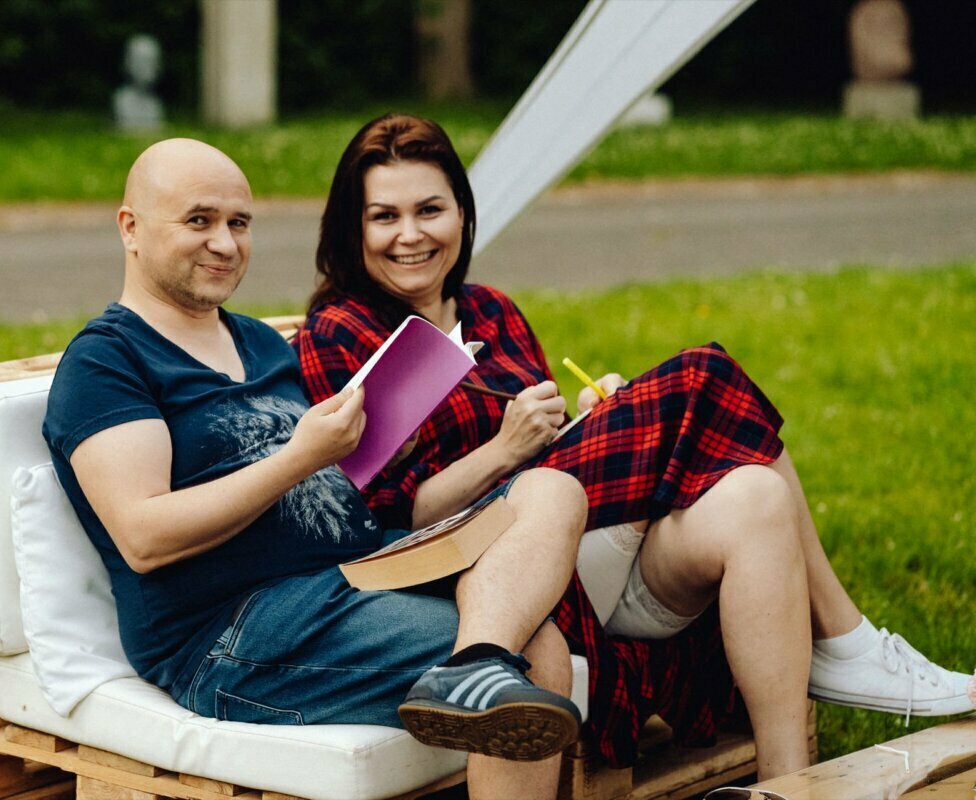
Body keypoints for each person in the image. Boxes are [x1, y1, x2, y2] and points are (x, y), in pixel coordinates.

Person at [294, 113, 976, 779]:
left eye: (429, 210)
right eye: (384, 216)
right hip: (485, 568)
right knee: (704, 380)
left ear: (463, 216)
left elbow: (546, 453)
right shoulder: (342, 334)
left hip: (572, 534)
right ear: (352, 229)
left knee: (756, 495)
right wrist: (504, 451)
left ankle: (786, 777)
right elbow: (383, 526)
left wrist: (590, 421)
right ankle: (847, 640)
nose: (409, 235)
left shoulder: (492, 311)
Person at [42, 137, 604, 798]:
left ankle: (472, 665)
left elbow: (307, 481)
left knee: (550, 491)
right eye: (199, 220)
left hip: (356, 572)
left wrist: (359, 458)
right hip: (235, 633)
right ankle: (478, 665)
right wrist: (301, 457)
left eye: (239, 223)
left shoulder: (254, 340)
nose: (224, 243)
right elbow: (143, 536)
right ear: (130, 228)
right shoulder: (109, 361)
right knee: (534, 651)